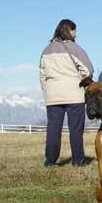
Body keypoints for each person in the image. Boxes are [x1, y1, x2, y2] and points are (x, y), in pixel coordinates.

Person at [39, 19, 94, 167]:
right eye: (74, 31)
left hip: (53, 96)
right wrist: (82, 81)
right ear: (69, 30)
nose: (75, 34)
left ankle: (50, 161)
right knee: (75, 130)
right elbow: (88, 70)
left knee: (53, 130)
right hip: (74, 94)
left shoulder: (46, 50)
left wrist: (48, 93)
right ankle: (78, 161)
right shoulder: (75, 48)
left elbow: (42, 76)